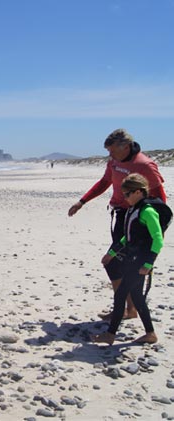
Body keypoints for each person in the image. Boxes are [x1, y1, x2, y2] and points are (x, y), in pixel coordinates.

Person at [68, 129, 166, 320]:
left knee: (119, 263)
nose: (110, 155)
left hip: (138, 219)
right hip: (120, 215)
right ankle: (128, 309)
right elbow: (105, 181)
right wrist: (82, 202)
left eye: (113, 151)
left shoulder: (145, 165)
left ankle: (126, 309)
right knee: (119, 262)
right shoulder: (114, 161)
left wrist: (156, 228)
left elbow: (160, 197)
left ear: (126, 147)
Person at [91, 173, 165, 345]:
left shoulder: (148, 211)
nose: (125, 198)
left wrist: (148, 264)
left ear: (139, 192)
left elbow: (158, 239)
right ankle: (150, 334)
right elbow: (128, 237)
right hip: (132, 259)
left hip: (140, 262)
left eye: (127, 194)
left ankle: (110, 335)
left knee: (121, 295)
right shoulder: (134, 209)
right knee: (138, 298)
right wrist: (113, 253)